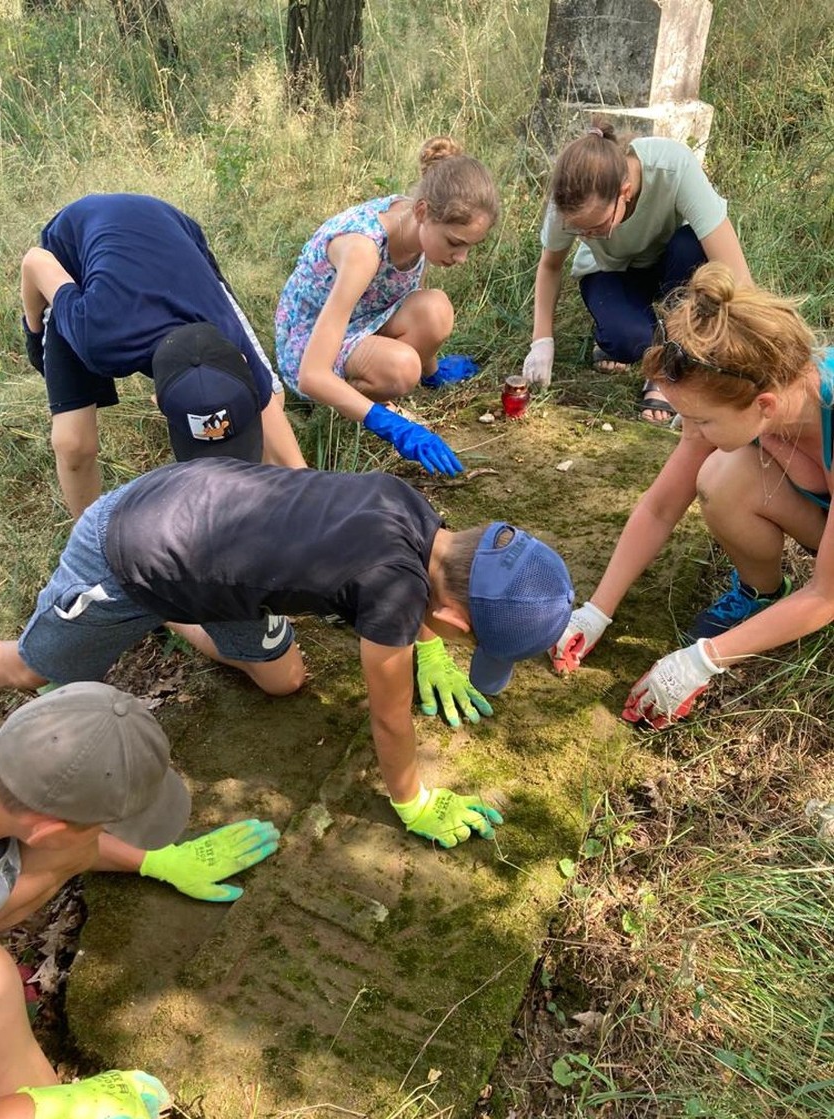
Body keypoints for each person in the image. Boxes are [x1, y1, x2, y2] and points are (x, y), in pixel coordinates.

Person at [0, 459, 574, 847]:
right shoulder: (395, 594)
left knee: (282, 679)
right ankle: (151, 603)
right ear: (448, 618)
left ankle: (167, 608)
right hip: (128, 548)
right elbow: (390, 718)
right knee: (31, 670)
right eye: (463, 641)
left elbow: (407, 586)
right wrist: (413, 801)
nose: (453, 646)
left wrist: (429, 651)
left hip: (209, 527)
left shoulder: (415, 511)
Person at [0, 681, 280, 1119]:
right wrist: (51, 1117)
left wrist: (155, 861)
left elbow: (61, 836)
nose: (108, 833)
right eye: (103, 825)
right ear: (46, 828)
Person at [549, 262, 833, 729]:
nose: (689, 429)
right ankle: (762, 596)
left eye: (701, 421)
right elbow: (661, 508)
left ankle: (767, 624)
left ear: (763, 406)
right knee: (722, 477)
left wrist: (704, 660)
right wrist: (596, 610)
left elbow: (826, 594)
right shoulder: (740, 387)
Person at [21, 193, 306, 518]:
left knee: (272, 404)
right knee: (74, 445)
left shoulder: (226, 338)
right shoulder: (96, 334)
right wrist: (34, 332)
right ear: (157, 402)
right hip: (75, 262)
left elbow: (290, 460)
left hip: (173, 231)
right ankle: (92, 543)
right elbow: (35, 260)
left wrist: (308, 509)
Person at [274, 137, 499, 476]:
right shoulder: (364, 249)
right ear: (423, 212)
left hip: (361, 322)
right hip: (308, 344)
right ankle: (350, 406)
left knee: (436, 309)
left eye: (470, 247)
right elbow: (311, 374)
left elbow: (401, 297)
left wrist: (432, 370)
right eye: (455, 243)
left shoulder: (416, 223)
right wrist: (390, 424)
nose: (462, 258)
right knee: (402, 367)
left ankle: (383, 383)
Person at [522, 117, 752, 424]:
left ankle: (669, 367)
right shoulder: (568, 197)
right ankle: (627, 336)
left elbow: (735, 273)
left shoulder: (673, 166)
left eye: (595, 227)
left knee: (691, 243)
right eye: (579, 232)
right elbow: (551, 265)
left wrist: (748, 357)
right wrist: (542, 341)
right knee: (627, 340)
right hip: (610, 272)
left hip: (674, 268)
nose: (586, 236)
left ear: (625, 191)